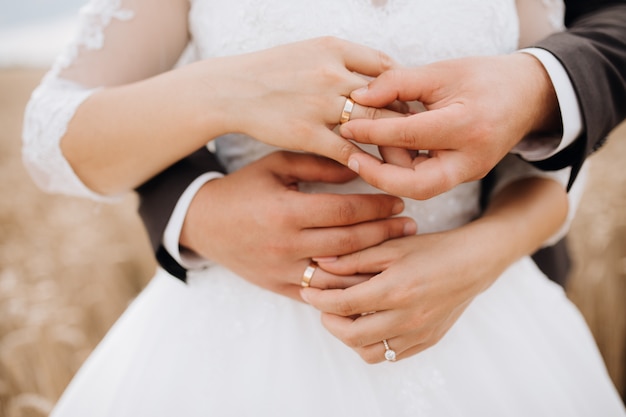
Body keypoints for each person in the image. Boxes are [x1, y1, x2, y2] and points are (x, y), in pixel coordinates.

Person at [21, 1, 626, 416]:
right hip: (238, 346)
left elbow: (549, 158)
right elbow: (51, 135)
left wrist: (484, 253)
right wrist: (227, 91)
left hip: (490, 321)